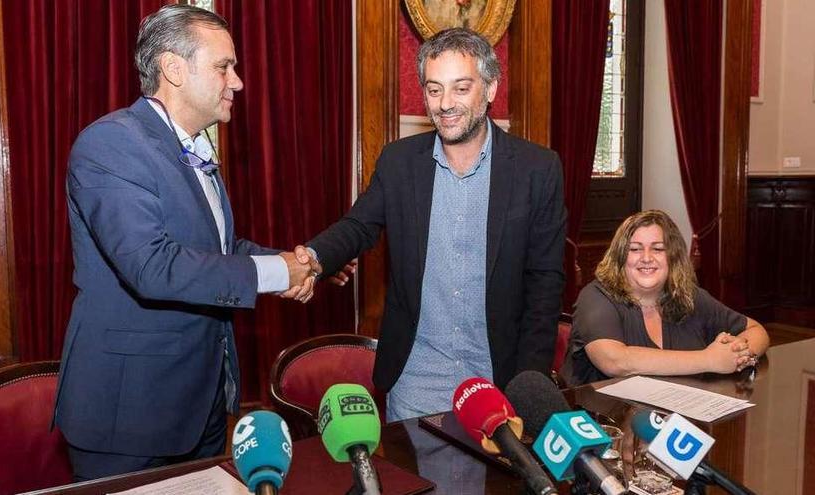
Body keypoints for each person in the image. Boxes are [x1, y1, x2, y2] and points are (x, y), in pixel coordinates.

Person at [53, 5, 318, 480]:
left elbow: (219, 251)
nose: (236, 82)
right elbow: (152, 266)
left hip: (203, 404)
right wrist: (279, 273)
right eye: (223, 66)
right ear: (174, 69)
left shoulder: (194, 147)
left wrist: (292, 261)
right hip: (129, 418)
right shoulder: (111, 144)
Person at [298, 28, 567, 421]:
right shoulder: (399, 162)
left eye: (461, 88)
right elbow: (359, 225)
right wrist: (313, 258)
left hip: (498, 383)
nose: (445, 104)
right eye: (434, 89)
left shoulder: (538, 170)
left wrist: (528, 382)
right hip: (415, 381)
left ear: (490, 88)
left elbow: (545, 283)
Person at [560, 210, 770, 386]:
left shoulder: (689, 295)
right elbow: (615, 361)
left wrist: (739, 354)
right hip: (604, 424)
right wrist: (709, 360)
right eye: (635, 249)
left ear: (673, 257)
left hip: (678, 418)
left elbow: (756, 331)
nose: (647, 258)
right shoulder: (595, 296)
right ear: (620, 257)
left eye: (658, 249)